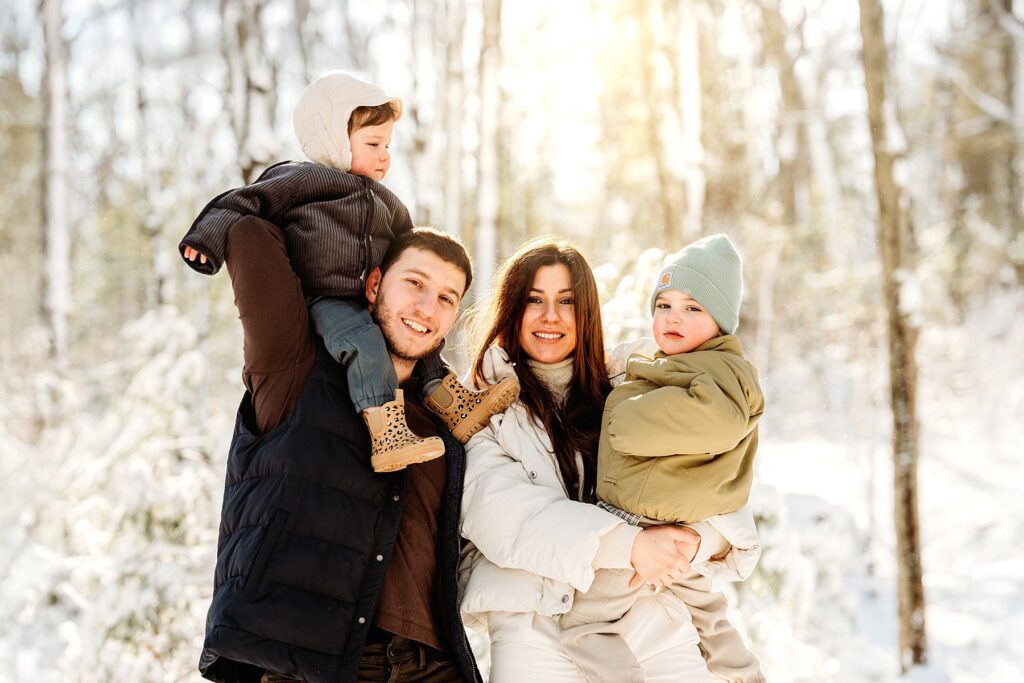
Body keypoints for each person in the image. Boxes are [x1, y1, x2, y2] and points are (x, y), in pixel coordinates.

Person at [178, 71, 517, 473]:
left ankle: (454, 405)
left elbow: (408, 250)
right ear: (333, 138)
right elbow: (243, 203)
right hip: (322, 297)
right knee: (364, 343)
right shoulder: (303, 179)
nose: (384, 155)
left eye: (387, 146)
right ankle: (386, 430)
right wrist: (207, 240)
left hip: (366, 299)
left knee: (423, 345)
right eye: (373, 144)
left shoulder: (389, 204)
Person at [194, 219, 482, 682]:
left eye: (447, 298)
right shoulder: (293, 366)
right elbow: (250, 234)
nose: (427, 308)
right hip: (310, 664)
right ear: (373, 284)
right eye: (414, 283)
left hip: (432, 665)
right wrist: (379, 209)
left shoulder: (443, 418)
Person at [458, 237, 716, 682]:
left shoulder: (637, 385)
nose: (550, 317)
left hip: (645, 611)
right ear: (512, 309)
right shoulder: (478, 406)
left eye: (567, 302)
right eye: (534, 300)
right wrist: (630, 545)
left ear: (589, 313)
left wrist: (703, 542)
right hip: (532, 623)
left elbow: (717, 479)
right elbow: (499, 515)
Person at [559, 233, 766, 682]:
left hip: (642, 521)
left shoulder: (718, 369)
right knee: (708, 615)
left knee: (583, 625)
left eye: (693, 308)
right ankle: (743, 674)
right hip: (672, 523)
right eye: (663, 305)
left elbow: (716, 422)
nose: (674, 318)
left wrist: (622, 418)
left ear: (721, 321)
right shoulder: (680, 363)